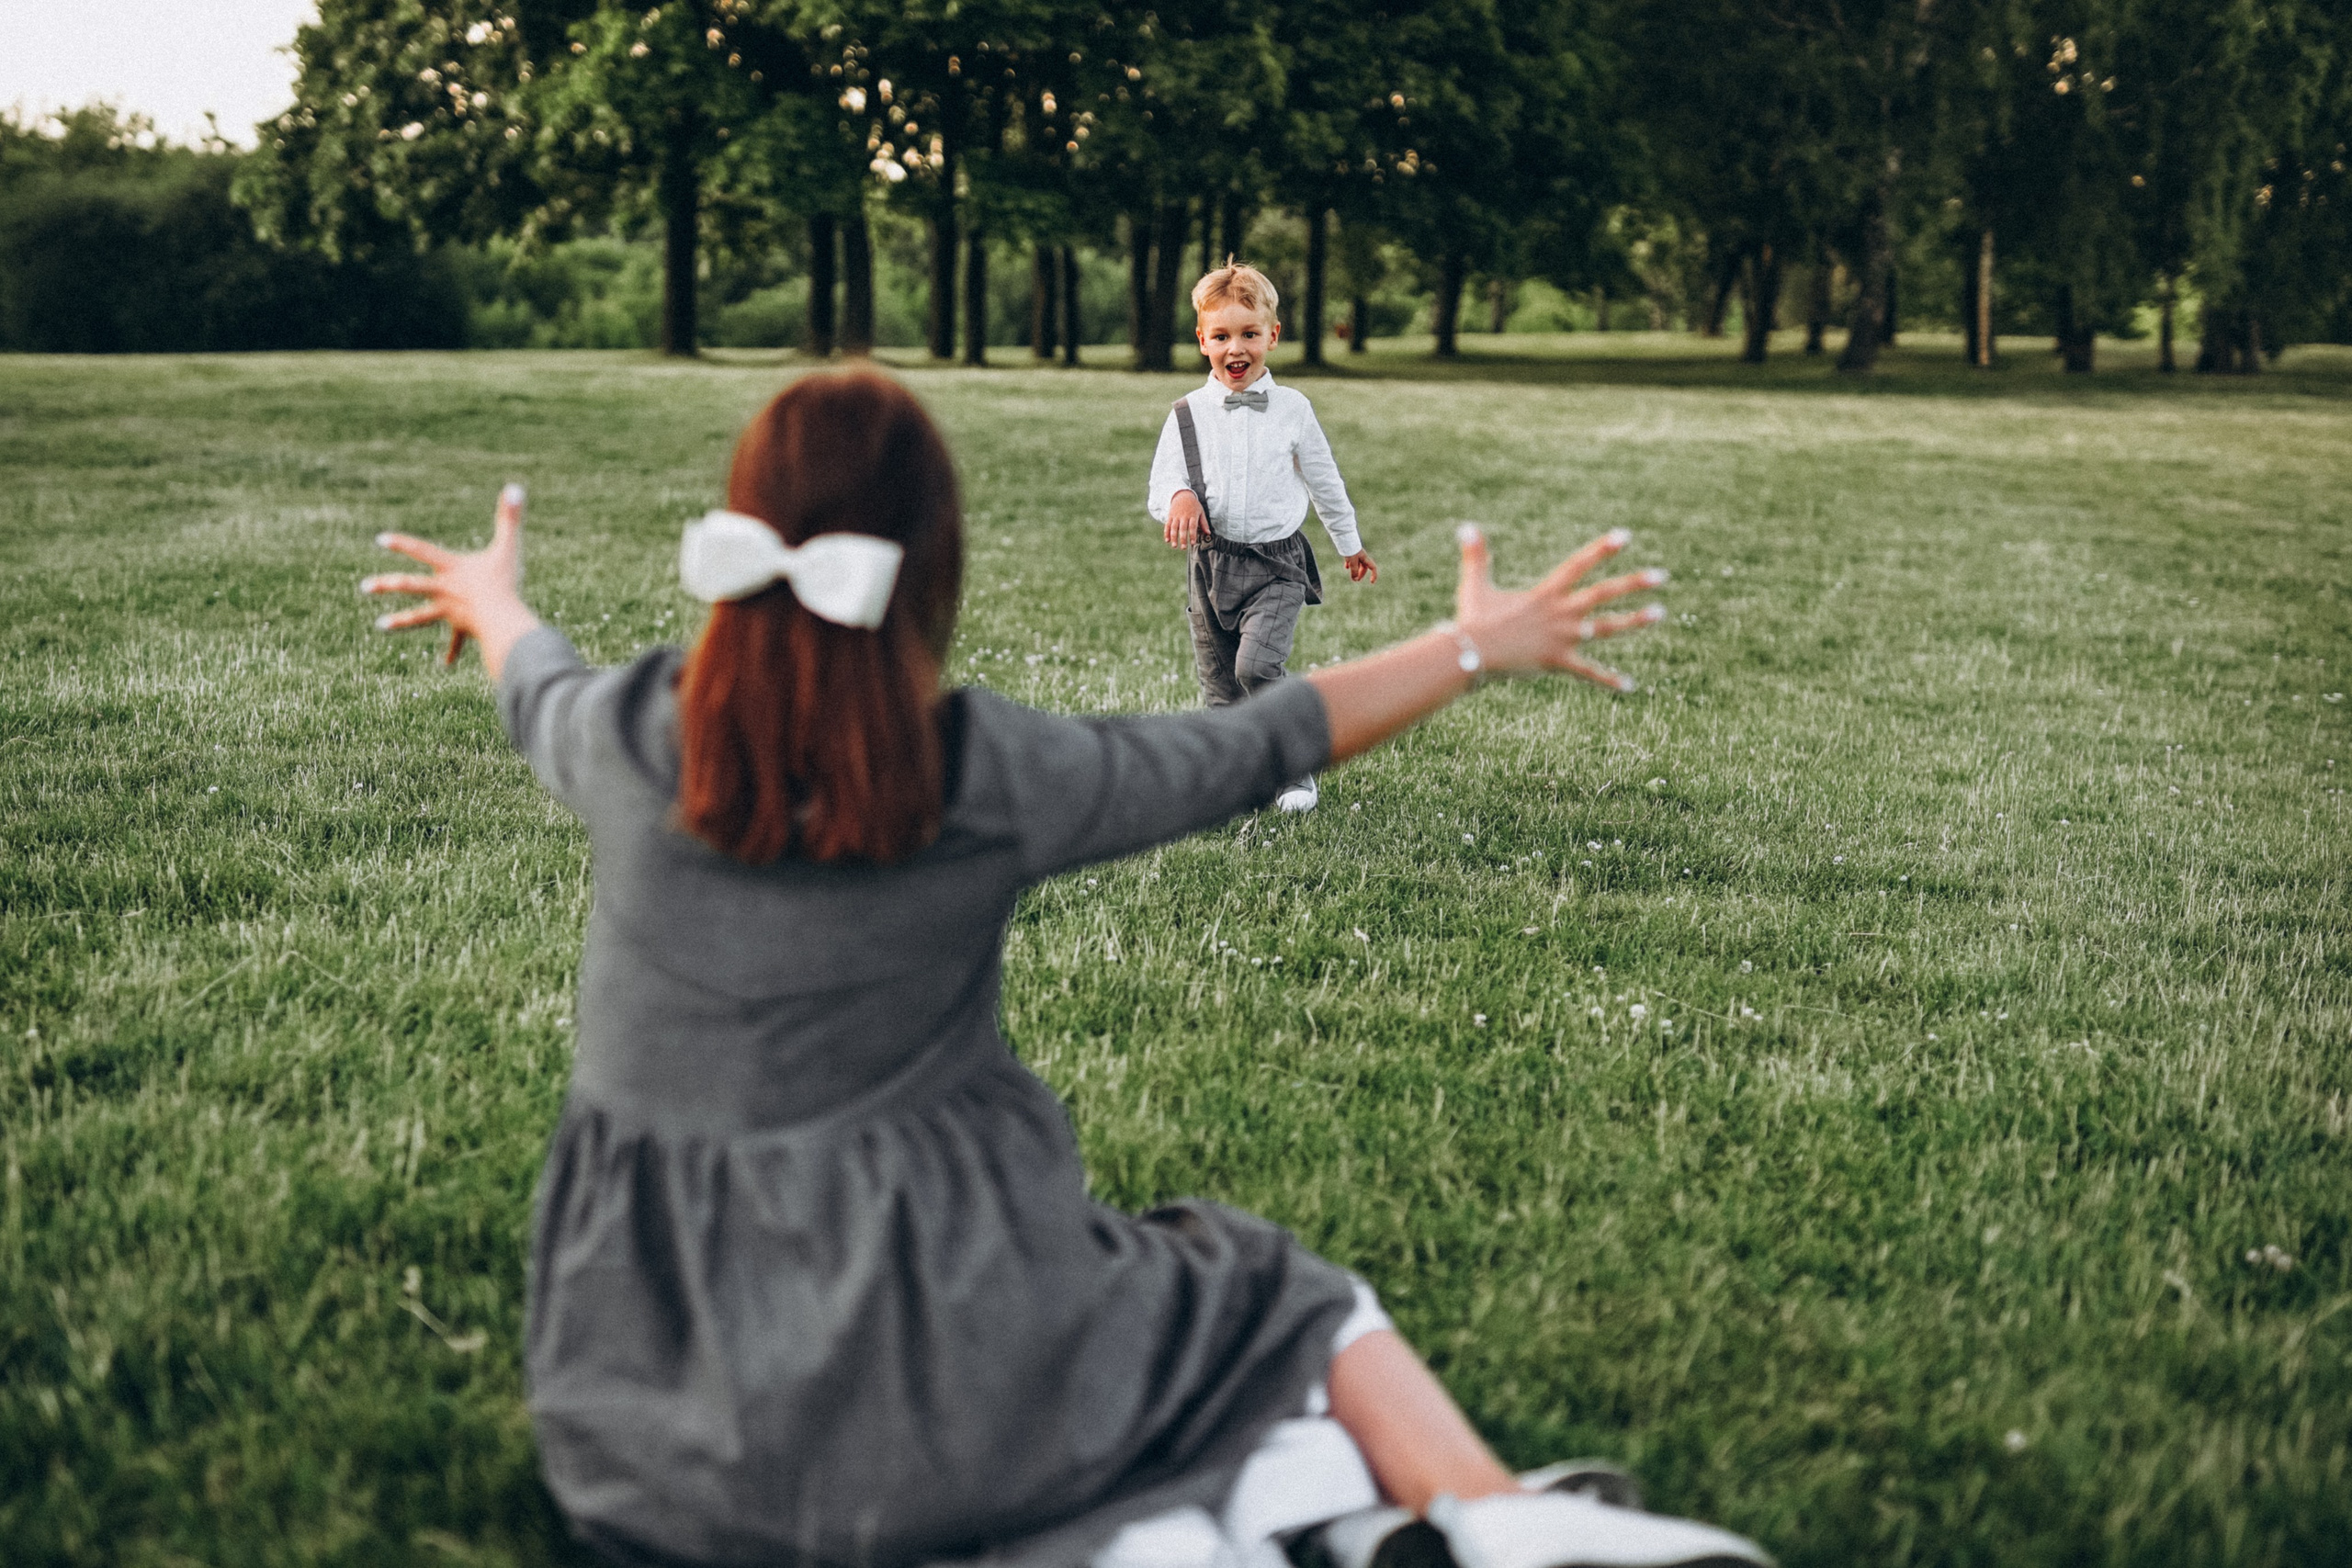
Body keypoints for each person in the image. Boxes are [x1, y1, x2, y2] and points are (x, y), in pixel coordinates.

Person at [360, 373, 1759, 1568]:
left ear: (743, 532)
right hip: (960, 1360)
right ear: (937, 562)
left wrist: (489, 597)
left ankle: (1268, 1524)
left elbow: (533, 673)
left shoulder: (621, 735)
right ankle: (1497, 1519)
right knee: (1274, 1290)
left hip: (661, 1440)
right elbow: (1261, 743)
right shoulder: (982, 776)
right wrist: (1471, 644)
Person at [1148, 262, 1374, 816]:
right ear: (1202, 341)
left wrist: (1349, 543)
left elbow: (1325, 481)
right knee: (1222, 688)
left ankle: (1297, 768)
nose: (1236, 348)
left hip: (1277, 565)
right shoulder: (1185, 414)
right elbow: (1162, 485)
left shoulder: (1293, 410)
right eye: (1221, 336)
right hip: (1210, 567)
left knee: (1257, 667)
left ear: (1272, 335)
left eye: (1249, 334)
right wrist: (1178, 498)